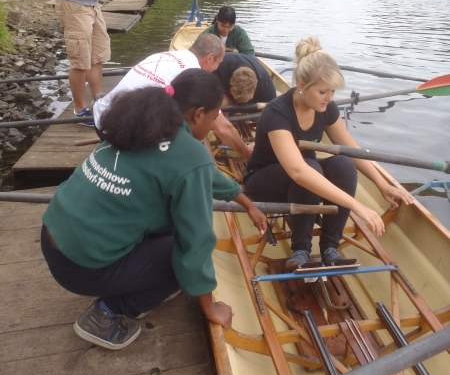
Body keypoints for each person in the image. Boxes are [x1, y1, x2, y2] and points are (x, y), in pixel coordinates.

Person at [41, 69, 267, 351]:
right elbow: (195, 243)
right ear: (198, 114)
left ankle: (135, 280)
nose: (212, 127)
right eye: (213, 119)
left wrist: (244, 201)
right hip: (81, 265)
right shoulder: (190, 152)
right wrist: (210, 305)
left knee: (169, 224)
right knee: (182, 263)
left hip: (54, 235)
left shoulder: (142, 121)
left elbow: (202, 173)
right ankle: (106, 313)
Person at [244, 36, 414, 270]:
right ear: (301, 85)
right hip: (263, 181)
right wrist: (357, 205)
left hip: (302, 177)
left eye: (333, 91)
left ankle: (330, 249)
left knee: (344, 163)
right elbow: (298, 172)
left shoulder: (326, 107)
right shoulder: (277, 112)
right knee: (310, 168)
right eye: (323, 91)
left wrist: (381, 184)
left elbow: (352, 149)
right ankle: (301, 249)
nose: (330, 98)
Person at [93, 34, 255, 159]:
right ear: (210, 57)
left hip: (101, 116)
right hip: (117, 130)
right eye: (218, 63)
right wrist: (246, 151)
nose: (216, 69)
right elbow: (222, 128)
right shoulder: (192, 74)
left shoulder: (167, 55)